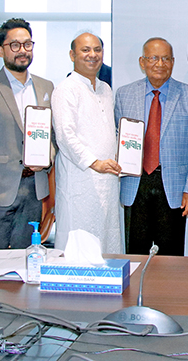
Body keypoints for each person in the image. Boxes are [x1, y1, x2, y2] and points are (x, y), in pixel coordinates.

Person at [114, 37, 188, 256]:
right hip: (135, 182)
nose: (160, 64)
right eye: (154, 58)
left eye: (166, 58)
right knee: (135, 253)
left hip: (174, 187)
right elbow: (117, 137)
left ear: (173, 62)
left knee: (171, 256)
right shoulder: (124, 94)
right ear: (142, 61)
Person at [0, 18, 54, 249]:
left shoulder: (46, 87)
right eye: (15, 45)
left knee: (27, 259)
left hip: (34, 191)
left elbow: (52, 136)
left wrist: (48, 157)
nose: (22, 51)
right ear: (0, 50)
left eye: (27, 44)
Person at [52, 32, 122, 252]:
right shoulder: (66, 89)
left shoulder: (106, 89)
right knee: (79, 246)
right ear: (72, 55)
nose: (93, 55)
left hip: (108, 181)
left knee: (107, 239)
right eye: (85, 50)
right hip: (80, 180)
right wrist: (95, 162)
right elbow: (65, 136)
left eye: (97, 50)